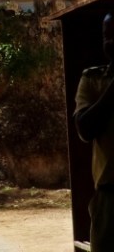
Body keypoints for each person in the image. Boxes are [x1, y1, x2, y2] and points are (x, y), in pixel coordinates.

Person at [74, 13, 114, 250]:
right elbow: (84, 129)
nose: (110, 43)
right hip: (110, 196)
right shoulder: (93, 80)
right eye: (106, 36)